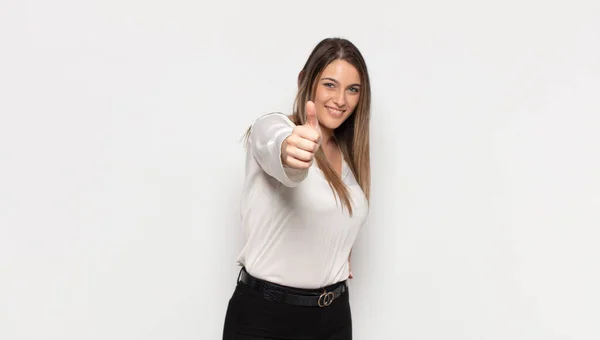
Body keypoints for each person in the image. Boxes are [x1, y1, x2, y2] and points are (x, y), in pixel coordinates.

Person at [222, 37, 372, 340]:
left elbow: (327, 216)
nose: (341, 99)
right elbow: (281, 153)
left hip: (334, 316)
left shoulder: (348, 158)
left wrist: (336, 250)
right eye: (330, 84)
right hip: (266, 318)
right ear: (306, 81)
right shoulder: (274, 128)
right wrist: (291, 151)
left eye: (352, 89)